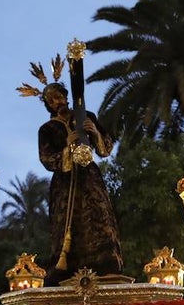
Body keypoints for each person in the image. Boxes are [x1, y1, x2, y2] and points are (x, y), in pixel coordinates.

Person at [36, 79, 124, 284]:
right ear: (48, 104)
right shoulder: (47, 129)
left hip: (89, 178)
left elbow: (105, 149)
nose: (59, 101)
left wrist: (94, 132)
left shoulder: (86, 116)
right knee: (66, 221)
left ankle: (105, 264)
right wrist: (67, 148)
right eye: (53, 99)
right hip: (64, 184)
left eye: (61, 95)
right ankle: (65, 267)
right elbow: (46, 158)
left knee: (98, 215)